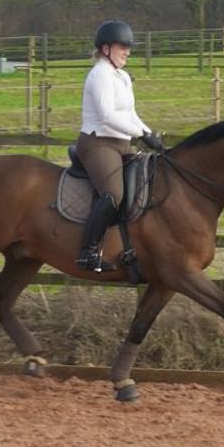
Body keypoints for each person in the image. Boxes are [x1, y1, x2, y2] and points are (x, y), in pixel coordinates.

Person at [75, 20, 162, 272]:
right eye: (122, 47)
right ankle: (88, 251)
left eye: (128, 47)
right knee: (114, 193)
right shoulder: (99, 75)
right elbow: (107, 116)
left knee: (144, 184)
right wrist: (141, 134)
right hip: (97, 143)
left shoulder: (122, 77)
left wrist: (149, 133)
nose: (127, 52)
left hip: (122, 143)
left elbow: (130, 114)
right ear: (105, 49)